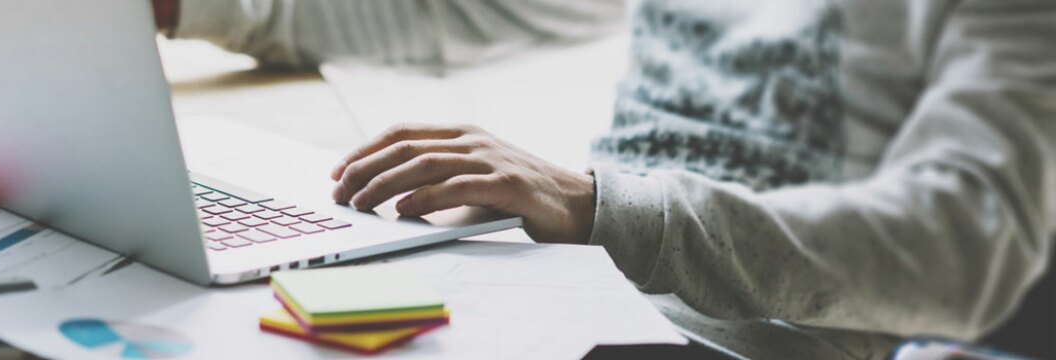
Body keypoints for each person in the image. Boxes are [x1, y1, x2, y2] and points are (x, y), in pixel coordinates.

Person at [153, 0, 1056, 358]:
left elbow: (963, 250)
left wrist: (596, 202)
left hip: (712, 345)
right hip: (549, 287)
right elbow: (465, 11)